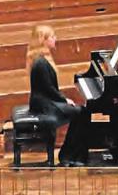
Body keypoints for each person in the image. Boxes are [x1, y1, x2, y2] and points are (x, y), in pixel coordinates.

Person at [26, 26, 91, 167]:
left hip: (44, 101)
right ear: (43, 40)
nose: (55, 39)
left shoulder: (40, 59)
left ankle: (70, 155)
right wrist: (64, 99)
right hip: (44, 104)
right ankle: (70, 156)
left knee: (81, 112)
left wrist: (62, 99)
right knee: (82, 112)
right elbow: (48, 89)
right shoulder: (41, 62)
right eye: (52, 37)